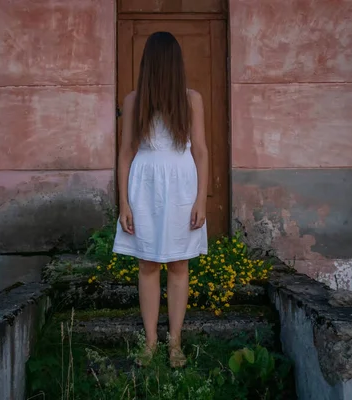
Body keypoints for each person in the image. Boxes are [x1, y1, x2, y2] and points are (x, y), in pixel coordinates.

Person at [113, 31, 209, 368]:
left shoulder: (191, 99)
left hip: (181, 188)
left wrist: (201, 200)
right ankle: (151, 342)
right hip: (145, 187)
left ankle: (175, 343)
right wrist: (124, 203)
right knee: (147, 264)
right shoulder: (134, 101)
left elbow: (200, 150)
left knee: (179, 264)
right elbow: (125, 154)